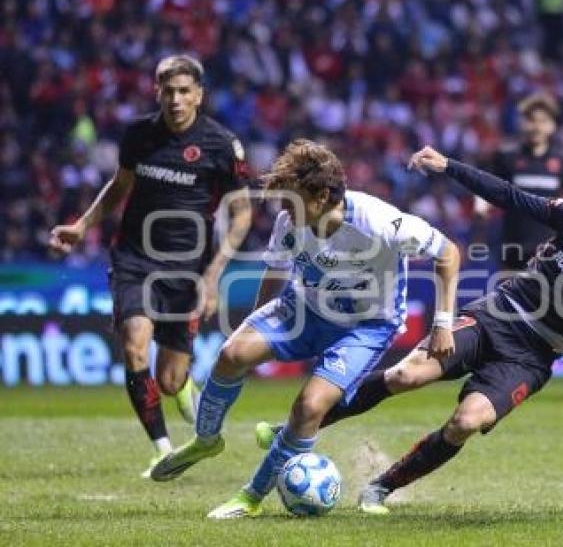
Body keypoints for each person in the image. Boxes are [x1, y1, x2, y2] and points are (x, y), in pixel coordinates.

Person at [260, 145, 563, 514]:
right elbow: (511, 196)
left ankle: (381, 486)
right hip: (499, 314)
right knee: (405, 375)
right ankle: (294, 430)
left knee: (466, 422)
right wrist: (449, 166)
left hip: (532, 357)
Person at [149, 139, 461, 520]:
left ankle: (251, 497)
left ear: (323, 195)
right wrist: (256, 323)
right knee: (232, 353)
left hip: (366, 326)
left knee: (310, 407)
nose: (282, 209)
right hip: (304, 308)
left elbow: (448, 253)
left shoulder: (379, 221)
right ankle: (205, 440)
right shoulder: (290, 222)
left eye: (290, 200)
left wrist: (442, 323)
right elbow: (276, 270)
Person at [49, 55, 252, 477]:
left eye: (184, 91)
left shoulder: (221, 145)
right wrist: (82, 225)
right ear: (157, 92)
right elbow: (119, 185)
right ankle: (162, 450)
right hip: (135, 258)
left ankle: (185, 390)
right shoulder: (139, 134)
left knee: (171, 380)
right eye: (168, 91)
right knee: (134, 345)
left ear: (199, 95)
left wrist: (213, 275)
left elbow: (243, 214)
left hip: (187, 270)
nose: (175, 100)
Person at [475, 92, 563, 271]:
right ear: (522, 123)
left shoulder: (562, 160)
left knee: (548, 289)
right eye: (531, 120)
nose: (536, 127)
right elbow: (487, 185)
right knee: (508, 288)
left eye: (543, 121)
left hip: (549, 247)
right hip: (513, 245)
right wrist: (481, 206)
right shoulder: (506, 156)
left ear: (552, 126)